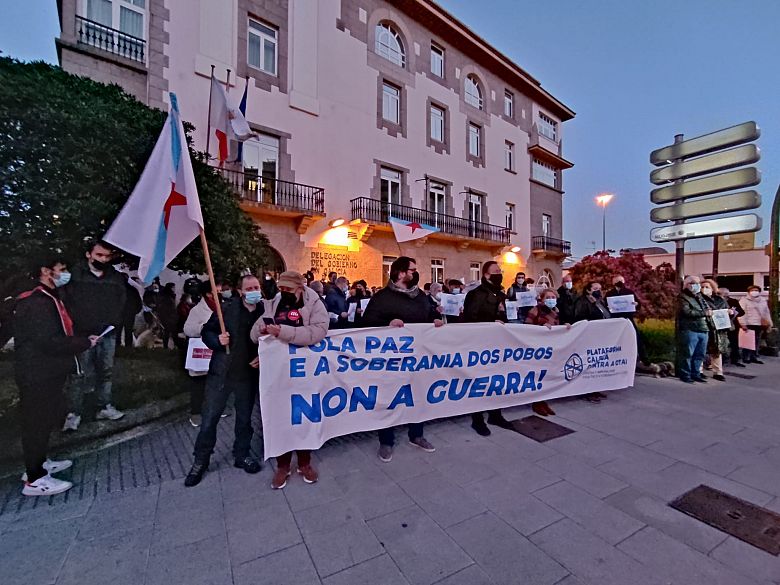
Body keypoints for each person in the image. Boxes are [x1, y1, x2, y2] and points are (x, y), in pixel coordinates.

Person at [14, 256, 96, 496]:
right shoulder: (37, 302)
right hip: (37, 373)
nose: (65, 273)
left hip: (47, 371)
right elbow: (49, 341)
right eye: (62, 269)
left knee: (44, 420)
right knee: (36, 423)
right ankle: (34, 479)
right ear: (45, 271)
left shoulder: (49, 298)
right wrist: (84, 343)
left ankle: (39, 463)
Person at [250, 271, 329, 489]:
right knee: (280, 416)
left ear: (300, 288)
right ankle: (282, 466)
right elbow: (254, 334)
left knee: (304, 416)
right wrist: (262, 330)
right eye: (281, 288)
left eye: (288, 289)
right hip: (279, 372)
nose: (283, 292)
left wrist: (282, 331)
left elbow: (317, 332)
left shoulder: (314, 303)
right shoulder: (273, 303)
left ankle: (304, 463)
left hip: (304, 371)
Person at [184, 274, 264, 487]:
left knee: (245, 419)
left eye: (256, 287)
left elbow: (270, 340)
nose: (254, 291)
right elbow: (207, 332)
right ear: (240, 291)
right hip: (222, 373)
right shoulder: (226, 309)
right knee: (210, 419)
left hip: (247, 375)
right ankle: (200, 461)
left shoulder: (264, 311)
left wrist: (263, 356)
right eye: (249, 288)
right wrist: (217, 341)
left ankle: (242, 454)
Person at [362, 257, 441, 461]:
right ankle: (386, 441)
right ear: (400, 273)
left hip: (417, 359)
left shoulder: (420, 295)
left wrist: (435, 319)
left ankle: (417, 435)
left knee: (417, 396)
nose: (415, 273)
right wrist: (387, 323)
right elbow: (366, 323)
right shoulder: (382, 297)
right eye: (412, 270)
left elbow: (428, 314)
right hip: (391, 361)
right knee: (389, 398)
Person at [62, 240, 126, 430]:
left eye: (107, 256)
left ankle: (103, 406)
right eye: (99, 255)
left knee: (106, 371)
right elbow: (67, 302)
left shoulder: (115, 277)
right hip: (81, 333)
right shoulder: (75, 276)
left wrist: (113, 321)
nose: (103, 259)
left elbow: (121, 301)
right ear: (88, 254)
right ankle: (74, 412)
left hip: (107, 333)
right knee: (79, 374)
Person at [462, 261, 514, 435]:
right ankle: (477, 419)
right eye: (496, 271)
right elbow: (470, 319)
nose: (500, 273)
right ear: (486, 275)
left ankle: (495, 414)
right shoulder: (476, 294)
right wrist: (492, 323)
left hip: (498, 345)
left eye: (500, 270)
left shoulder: (501, 294)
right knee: (479, 382)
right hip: (480, 346)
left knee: (497, 380)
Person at [525, 288, 569, 416]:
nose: (551, 300)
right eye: (548, 298)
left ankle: (543, 400)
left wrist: (564, 326)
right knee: (538, 375)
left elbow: (557, 326)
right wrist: (540, 328)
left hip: (551, 347)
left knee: (547, 374)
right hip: (538, 348)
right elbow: (526, 327)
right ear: (542, 299)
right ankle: (536, 402)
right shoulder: (535, 310)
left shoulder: (557, 311)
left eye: (553, 297)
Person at [183, 279, 219, 427]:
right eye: (216, 291)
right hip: (201, 353)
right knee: (198, 385)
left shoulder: (221, 307)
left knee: (215, 384)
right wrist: (204, 328)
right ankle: (196, 413)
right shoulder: (197, 310)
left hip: (216, 351)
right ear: (208, 294)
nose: (219, 294)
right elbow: (187, 329)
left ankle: (215, 409)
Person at [574, 281, 611, 402]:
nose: (598, 291)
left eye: (600, 288)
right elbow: (580, 318)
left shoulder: (600, 302)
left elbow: (606, 315)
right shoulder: (582, 301)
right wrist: (593, 305)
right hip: (588, 337)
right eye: (595, 288)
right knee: (587, 364)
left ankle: (594, 388)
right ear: (588, 290)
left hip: (600, 337)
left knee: (596, 365)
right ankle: (585, 391)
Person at [605, 275, 650, 366]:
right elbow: (605, 305)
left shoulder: (629, 292)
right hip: (615, 320)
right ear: (613, 283)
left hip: (628, 319)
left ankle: (645, 360)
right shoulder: (609, 294)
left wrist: (636, 304)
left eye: (621, 281)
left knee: (636, 337)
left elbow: (638, 304)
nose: (620, 283)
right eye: (617, 281)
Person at [677, 275, 710, 384]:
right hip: (690, 329)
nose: (697, 285)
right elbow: (686, 312)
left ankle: (696, 373)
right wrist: (704, 313)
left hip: (703, 328)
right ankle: (685, 374)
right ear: (687, 285)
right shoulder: (682, 297)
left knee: (700, 354)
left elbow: (708, 308)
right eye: (694, 283)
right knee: (687, 354)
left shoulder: (700, 296)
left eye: (698, 283)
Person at [700, 279, 730, 382]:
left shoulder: (720, 300)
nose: (704, 289)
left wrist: (729, 312)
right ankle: (699, 371)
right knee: (701, 349)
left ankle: (718, 372)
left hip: (718, 328)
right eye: (702, 287)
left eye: (707, 287)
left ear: (712, 288)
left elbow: (726, 310)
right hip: (706, 326)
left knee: (716, 350)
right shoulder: (699, 299)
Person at [738, 285, 773, 364]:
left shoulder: (762, 300)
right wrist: (743, 323)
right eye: (752, 290)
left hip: (759, 323)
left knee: (756, 341)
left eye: (756, 290)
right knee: (747, 341)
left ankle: (754, 356)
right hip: (749, 323)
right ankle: (746, 357)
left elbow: (766, 312)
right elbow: (741, 313)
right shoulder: (744, 300)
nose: (754, 292)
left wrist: (769, 323)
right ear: (748, 292)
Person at [718, 287, 746, 367]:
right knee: (721, 342)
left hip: (733, 324)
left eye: (726, 294)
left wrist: (734, 312)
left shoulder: (733, 301)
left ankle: (735, 359)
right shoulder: (716, 301)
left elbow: (742, 312)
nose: (725, 296)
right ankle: (721, 360)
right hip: (721, 324)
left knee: (734, 342)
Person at [118, 272, 143, 348]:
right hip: (130, 314)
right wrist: (135, 311)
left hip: (119, 313)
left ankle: (117, 347)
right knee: (128, 331)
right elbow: (138, 303)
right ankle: (128, 347)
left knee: (118, 331)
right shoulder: (133, 290)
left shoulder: (116, 289)